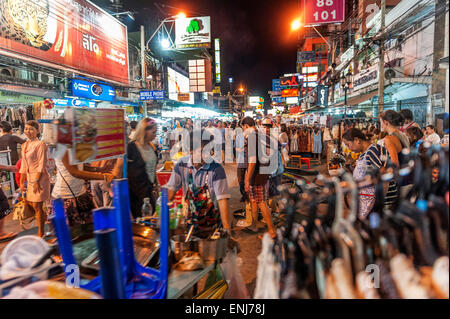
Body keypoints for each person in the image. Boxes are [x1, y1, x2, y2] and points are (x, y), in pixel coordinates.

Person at [165, 129, 235, 240]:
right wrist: (161, 213)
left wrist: (227, 230)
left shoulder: (216, 169)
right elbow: (171, 189)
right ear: (191, 150)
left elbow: (222, 200)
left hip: (212, 227)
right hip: (189, 225)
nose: (208, 154)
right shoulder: (182, 165)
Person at [342, 128, 391, 219]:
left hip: (372, 201)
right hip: (365, 199)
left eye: (348, 145)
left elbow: (380, 176)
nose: (348, 148)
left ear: (357, 140)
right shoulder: (365, 153)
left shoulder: (372, 151)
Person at [243, 118, 277, 239]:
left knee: (261, 202)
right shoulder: (258, 135)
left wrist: (247, 179)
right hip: (259, 173)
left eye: (243, 128)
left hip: (258, 175)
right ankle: (254, 225)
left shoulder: (252, 137)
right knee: (253, 200)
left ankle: (272, 230)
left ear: (246, 126)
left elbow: (252, 161)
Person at [19, 120, 51, 238]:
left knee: (37, 205)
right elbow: (24, 164)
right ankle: (49, 222)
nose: (28, 131)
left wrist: (36, 180)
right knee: (33, 204)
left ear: (38, 131)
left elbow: (41, 164)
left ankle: (41, 232)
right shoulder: (25, 144)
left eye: (31, 129)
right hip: (29, 177)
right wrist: (22, 181)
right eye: (26, 129)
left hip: (40, 177)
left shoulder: (40, 144)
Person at [127, 118, 160, 218]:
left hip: (149, 194)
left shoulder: (151, 147)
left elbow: (153, 171)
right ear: (144, 131)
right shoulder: (131, 148)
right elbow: (122, 173)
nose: (155, 135)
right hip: (135, 194)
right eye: (153, 132)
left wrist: (157, 186)